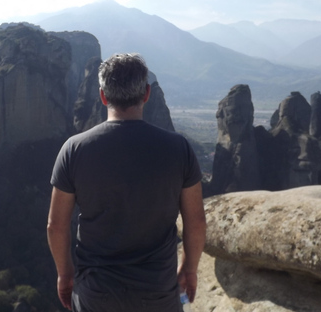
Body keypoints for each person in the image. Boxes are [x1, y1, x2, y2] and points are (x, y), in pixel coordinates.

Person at [47, 53, 207, 311]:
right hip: (157, 292)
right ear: (146, 94)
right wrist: (190, 269)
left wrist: (65, 274)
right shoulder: (179, 148)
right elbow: (196, 222)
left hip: (96, 293)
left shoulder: (73, 149)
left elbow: (56, 225)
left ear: (102, 96)